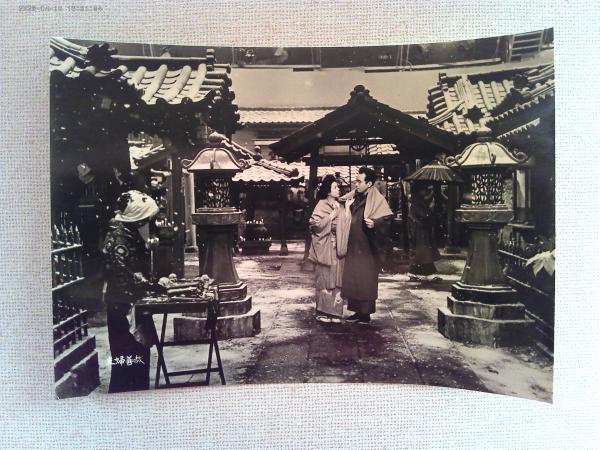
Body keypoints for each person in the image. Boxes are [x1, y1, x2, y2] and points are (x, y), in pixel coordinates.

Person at [102, 189, 161, 393]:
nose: (149, 224)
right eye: (146, 220)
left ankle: (135, 394)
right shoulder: (120, 239)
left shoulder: (128, 234)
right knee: (128, 357)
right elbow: (125, 275)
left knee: (137, 355)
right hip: (123, 306)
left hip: (130, 303)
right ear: (138, 219)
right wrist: (152, 286)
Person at [338, 167, 393, 325]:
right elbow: (342, 203)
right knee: (354, 277)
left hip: (368, 247)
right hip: (354, 244)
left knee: (366, 279)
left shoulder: (377, 198)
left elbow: (387, 219)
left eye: (359, 181)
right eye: (355, 181)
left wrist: (375, 224)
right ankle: (356, 311)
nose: (356, 184)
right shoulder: (355, 196)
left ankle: (365, 314)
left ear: (369, 184)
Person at [308, 175, 344, 323]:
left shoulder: (340, 206)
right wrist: (331, 217)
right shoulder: (321, 205)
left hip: (338, 248)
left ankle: (335, 312)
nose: (338, 189)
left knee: (337, 279)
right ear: (328, 191)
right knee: (324, 278)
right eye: (335, 187)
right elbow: (315, 225)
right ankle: (323, 312)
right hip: (324, 247)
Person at [408, 184, 438, 276]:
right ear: (419, 191)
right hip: (420, 230)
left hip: (419, 229)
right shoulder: (416, 202)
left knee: (422, 251)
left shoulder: (417, 201)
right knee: (423, 251)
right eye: (424, 190)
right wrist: (430, 208)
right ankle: (420, 272)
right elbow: (423, 215)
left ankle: (416, 271)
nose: (425, 192)